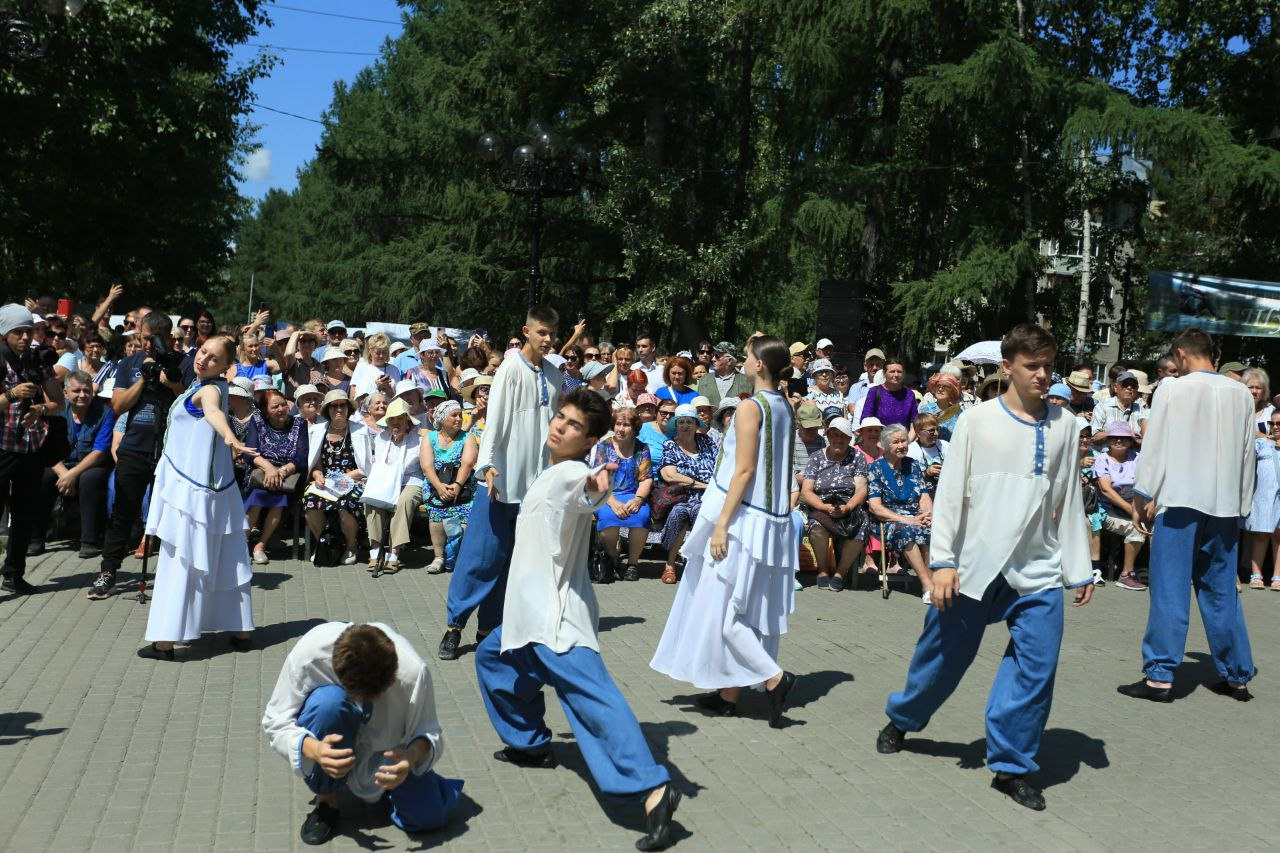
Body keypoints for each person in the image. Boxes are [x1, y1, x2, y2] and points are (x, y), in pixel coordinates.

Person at [877, 323, 1094, 813]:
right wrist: (945, 562)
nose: (1041, 375)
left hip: (1037, 569)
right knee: (942, 657)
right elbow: (951, 494)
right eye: (1030, 366)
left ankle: (1011, 765)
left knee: (1035, 669)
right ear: (1007, 367)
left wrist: (1080, 566)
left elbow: (1069, 499)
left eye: (1047, 366)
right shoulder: (977, 422)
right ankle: (904, 718)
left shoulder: (1067, 426)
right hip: (974, 565)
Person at [474, 390, 680, 851]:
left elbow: (589, 490)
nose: (559, 427)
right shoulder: (552, 469)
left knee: (594, 700)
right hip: (526, 617)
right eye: (560, 418)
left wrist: (599, 484)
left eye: (572, 426)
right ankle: (529, 743)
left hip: (554, 618)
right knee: (493, 659)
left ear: (588, 440)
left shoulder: (571, 472)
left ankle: (653, 787)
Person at [651, 334, 799, 728]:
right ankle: (730, 695)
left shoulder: (752, 407)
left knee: (726, 613)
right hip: (771, 520)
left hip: (745, 520)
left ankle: (774, 678)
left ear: (760, 366)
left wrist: (720, 524)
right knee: (741, 608)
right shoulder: (785, 405)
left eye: (747, 356)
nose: (742, 361)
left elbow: (745, 469)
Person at [1120, 328, 1257, 703]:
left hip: (1181, 501)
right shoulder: (1242, 393)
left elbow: (1156, 445)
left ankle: (1160, 677)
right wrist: (1243, 504)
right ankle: (1237, 676)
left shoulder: (1172, 389)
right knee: (1221, 590)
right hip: (1225, 504)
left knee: (1169, 588)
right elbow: (1248, 454)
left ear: (1181, 353)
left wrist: (1142, 494)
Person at [262, 621, 463, 845]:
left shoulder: (413, 671)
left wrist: (410, 757)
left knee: (429, 818)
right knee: (328, 704)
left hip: (389, 752)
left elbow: (428, 731)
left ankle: (398, 785)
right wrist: (315, 750)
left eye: (380, 693)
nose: (375, 700)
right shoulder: (310, 655)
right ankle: (327, 798)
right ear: (336, 670)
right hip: (332, 733)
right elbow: (275, 721)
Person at [439, 305, 562, 660]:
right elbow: (495, 421)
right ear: (527, 332)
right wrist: (488, 464)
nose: (548, 340)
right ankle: (454, 626)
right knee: (481, 558)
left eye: (553, 334)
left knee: (512, 561)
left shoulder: (553, 375)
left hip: (533, 487)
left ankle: (489, 629)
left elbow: (553, 429)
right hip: (498, 483)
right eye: (542, 333)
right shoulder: (510, 368)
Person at [136, 336, 256, 660]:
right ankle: (242, 630)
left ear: (226, 367)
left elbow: (214, 412)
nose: (204, 360)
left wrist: (231, 437)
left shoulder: (211, 389)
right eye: (203, 352)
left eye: (214, 358)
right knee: (227, 557)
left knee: (180, 561)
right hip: (213, 489)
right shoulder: (203, 383)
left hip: (191, 493)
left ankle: (165, 641)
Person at [88, 310, 183, 601]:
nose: (147, 345)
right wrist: (144, 377)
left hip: (171, 449)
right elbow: (118, 405)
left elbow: (187, 397)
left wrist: (168, 380)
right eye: (143, 338)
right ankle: (108, 572)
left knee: (175, 514)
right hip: (134, 447)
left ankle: (177, 575)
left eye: (153, 340)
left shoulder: (182, 362)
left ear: (167, 338)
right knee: (123, 510)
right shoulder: (129, 363)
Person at [1, 305, 65, 591]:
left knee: (25, 514)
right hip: (2, 449)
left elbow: (58, 403)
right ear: (4, 334)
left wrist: (40, 409)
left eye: (28, 331)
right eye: (18, 332)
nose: (25, 337)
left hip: (31, 448)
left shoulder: (38, 361)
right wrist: (11, 395)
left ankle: (13, 574)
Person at [32, 370, 114, 559]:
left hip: (91, 465)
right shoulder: (57, 412)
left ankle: (89, 541)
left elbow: (100, 451)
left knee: (89, 479)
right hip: (59, 463)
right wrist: (63, 473)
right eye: (76, 391)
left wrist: (72, 474)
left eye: (87, 390)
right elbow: (47, 445)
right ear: (65, 393)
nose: (82, 395)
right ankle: (36, 538)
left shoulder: (105, 413)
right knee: (43, 477)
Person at [801, 416, 870, 591]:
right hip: (821, 504)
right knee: (816, 526)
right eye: (834, 435)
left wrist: (848, 507)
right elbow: (807, 491)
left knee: (862, 525)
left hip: (848, 504)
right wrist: (823, 507)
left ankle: (841, 572)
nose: (838, 439)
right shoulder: (817, 457)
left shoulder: (858, 457)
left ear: (849, 438)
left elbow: (861, 490)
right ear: (828, 436)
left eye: (843, 436)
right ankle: (822, 570)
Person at [243, 389, 309, 566]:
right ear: (265, 410)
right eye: (275, 406)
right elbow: (250, 453)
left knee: (279, 496)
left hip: (288, 475)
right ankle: (241, 544)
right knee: (257, 496)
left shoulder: (299, 424)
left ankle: (260, 546)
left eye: (283, 404)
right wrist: (269, 468)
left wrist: (280, 472)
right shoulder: (257, 421)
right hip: (261, 471)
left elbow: (302, 458)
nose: (281, 409)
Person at [868, 424, 934, 600]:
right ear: (885, 445)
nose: (901, 445)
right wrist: (905, 519)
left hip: (915, 515)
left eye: (904, 440)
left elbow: (924, 496)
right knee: (906, 531)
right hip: (888, 520)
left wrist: (927, 514)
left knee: (930, 529)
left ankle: (930, 582)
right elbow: (875, 507)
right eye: (896, 442)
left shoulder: (912, 464)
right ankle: (927, 584)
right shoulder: (876, 468)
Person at [656, 403, 717, 584]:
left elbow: (720, 468)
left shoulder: (707, 442)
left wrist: (709, 489)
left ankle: (699, 565)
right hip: (681, 497)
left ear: (696, 424)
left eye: (690, 422)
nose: (685, 426)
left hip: (708, 498)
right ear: (676, 425)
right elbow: (670, 475)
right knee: (680, 513)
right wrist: (701, 485)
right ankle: (670, 565)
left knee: (702, 512)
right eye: (681, 422)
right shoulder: (670, 445)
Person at [303, 390, 365, 566]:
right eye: (334, 406)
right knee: (310, 501)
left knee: (345, 503)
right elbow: (314, 462)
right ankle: (326, 543)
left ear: (348, 408)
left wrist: (343, 478)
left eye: (342, 405)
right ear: (327, 410)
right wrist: (317, 474)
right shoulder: (317, 431)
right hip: (325, 481)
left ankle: (351, 547)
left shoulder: (360, 430)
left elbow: (366, 466)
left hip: (354, 479)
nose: (338, 409)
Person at [591, 408, 653, 582]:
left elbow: (646, 479)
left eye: (626, 425)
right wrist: (612, 502)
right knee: (608, 518)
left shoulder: (642, 448)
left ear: (635, 429)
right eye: (618, 424)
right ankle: (614, 559)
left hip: (633, 495)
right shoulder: (604, 447)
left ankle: (633, 564)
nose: (621, 429)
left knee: (641, 516)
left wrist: (639, 499)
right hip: (606, 496)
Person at [362, 398, 423, 573]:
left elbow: (410, 467)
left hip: (410, 480)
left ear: (408, 421)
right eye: (392, 419)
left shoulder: (418, 440)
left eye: (400, 419)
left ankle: (394, 552)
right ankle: (375, 550)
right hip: (386, 480)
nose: (395, 423)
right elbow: (381, 465)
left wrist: (401, 440)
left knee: (404, 501)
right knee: (372, 499)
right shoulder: (382, 438)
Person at [421, 400, 477, 574]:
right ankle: (439, 557)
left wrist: (457, 485)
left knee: (464, 519)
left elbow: (467, 464)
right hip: (435, 484)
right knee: (436, 514)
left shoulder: (468, 437)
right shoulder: (429, 438)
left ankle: (460, 557)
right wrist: (438, 486)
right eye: (454, 415)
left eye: (460, 415)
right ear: (442, 418)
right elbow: (426, 466)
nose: (459, 419)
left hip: (463, 485)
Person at [1093, 421, 1147, 590]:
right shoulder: (1102, 459)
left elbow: (1147, 483)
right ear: (1108, 440)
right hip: (1108, 511)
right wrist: (1133, 511)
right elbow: (1106, 490)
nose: (1119, 441)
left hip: (1137, 505)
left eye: (1124, 438)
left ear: (1131, 441)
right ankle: (1126, 574)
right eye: (1115, 438)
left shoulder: (1137, 458)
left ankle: (1151, 571)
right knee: (1136, 528)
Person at [1247, 410, 1280, 590]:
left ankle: (1278, 577)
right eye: (1272, 423)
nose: (1275, 427)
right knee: (1261, 534)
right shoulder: (1261, 443)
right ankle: (1256, 575)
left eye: (1279, 424)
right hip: (1264, 496)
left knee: (1278, 535)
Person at [860, 357, 918, 431]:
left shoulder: (909, 395)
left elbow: (915, 423)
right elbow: (866, 420)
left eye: (899, 371)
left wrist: (907, 441)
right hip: (879, 440)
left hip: (903, 441)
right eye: (892, 371)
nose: (896, 375)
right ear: (884, 374)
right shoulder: (874, 392)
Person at [1091, 370, 1145, 444]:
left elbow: (1146, 437)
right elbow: (1094, 437)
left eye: (1133, 385)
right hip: (1107, 453)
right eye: (1125, 384)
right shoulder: (1102, 406)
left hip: (1134, 454)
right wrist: (1123, 433)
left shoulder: (1140, 409)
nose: (1129, 387)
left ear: (1137, 389)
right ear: (1116, 387)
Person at [695, 342, 750, 408]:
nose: (713, 359)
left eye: (717, 356)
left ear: (729, 361)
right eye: (713, 355)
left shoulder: (746, 381)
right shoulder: (704, 380)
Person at [350, 332, 402, 400]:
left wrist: (387, 388)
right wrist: (376, 387)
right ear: (370, 351)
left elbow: (399, 398)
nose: (381, 356)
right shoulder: (361, 367)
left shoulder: (394, 370)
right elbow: (353, 395)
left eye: (384, 352)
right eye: (377, 353)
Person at [907, 413, 948, 496]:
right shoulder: (911, 451)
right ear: (918, 433)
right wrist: (926, 473)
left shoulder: (944, 445)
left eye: (937, 429)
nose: (936, 433)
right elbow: (907, 480)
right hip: (923, 496)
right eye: (931, 430)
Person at [282, 328, 325, 398]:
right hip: (295, 404)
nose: (306, 344)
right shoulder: (293, 361)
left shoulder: (320, 366)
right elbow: (289, 353)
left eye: (310, 340)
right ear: (297, 345)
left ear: (315, 345)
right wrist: (296, 334)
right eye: (303, 341)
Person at [920, 372, 963, 440]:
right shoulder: (925, 409)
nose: (940, 389)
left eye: (945, 386)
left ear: (952, 391)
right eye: (938, 386)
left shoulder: (958, 412)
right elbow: (917, 432)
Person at [845, 347, 886, 415]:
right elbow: (852, 410)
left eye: (878, 364)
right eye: (871, 364)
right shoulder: (856, 387)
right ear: (865, 366)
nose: (875, 368)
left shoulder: (891, 387)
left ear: (884, 366)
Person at [1244, 367, 1273, 435]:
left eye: (1258, 388)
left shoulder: (1270, 411)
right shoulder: (1236, 409)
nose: (1254, 391)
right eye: (1250, 387)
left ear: (1264, 391)